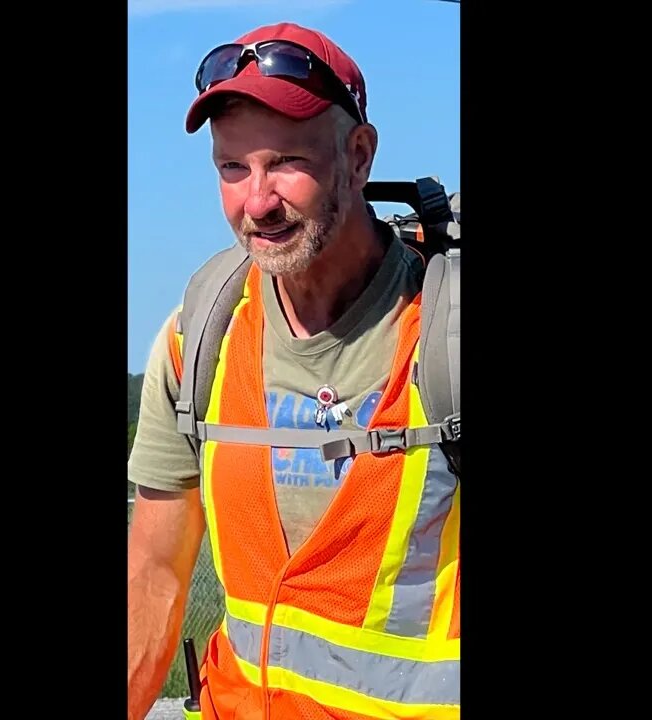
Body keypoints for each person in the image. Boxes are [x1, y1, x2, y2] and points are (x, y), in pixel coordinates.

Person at [127, 21, 460, 720]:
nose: (257, 202)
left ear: (360, 155)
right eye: (231, 169)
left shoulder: (444, 337)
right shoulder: (199, 338)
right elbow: (155, 579)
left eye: (286, 162)